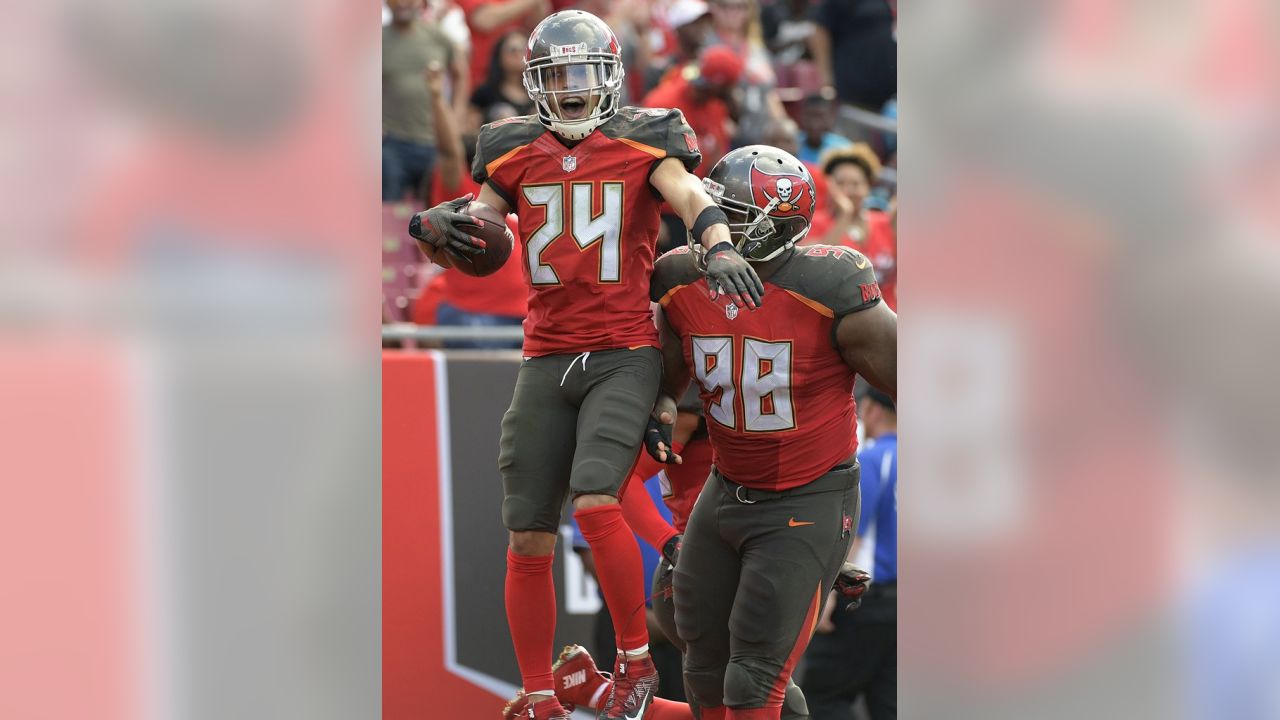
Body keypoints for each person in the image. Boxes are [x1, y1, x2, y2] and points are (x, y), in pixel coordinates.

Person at [408, 11, 767, 720]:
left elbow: (690, 195)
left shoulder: (645, 135)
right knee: (528, 531)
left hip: (621, 349)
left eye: (583, 74)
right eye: (558, 76)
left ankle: (634, 658)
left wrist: (720, 243)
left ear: (608, 78)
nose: (571, 89)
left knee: (600, 495)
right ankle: (540, 695)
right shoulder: (508, 148)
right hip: (545, 353)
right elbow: (487, 241)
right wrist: (438, 235)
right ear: (535, 84)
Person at [649, 144, 897, 720]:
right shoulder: (681, 278)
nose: (710, 227)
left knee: (754, 676)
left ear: (771, 225)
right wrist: (660, 402)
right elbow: (670, 373)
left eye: (728, 214)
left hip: (808, 493)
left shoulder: (830, 284)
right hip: (726, 485)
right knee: (704, 666)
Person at [800, 383, 897, 720]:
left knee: (824, 696)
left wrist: (826, 596)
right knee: (890, 701)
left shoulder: (872, 460)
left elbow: (849, 532)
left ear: (872, 410)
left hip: (865, 602)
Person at [382, 0, 467, 203]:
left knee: (438, 215)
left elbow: (461, 73)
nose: (403, 3)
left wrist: (457, 115)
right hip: (392, 142)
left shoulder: (436, 35)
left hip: (437, 142)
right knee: (388, 216)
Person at [810, 143, 896, 310]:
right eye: (840, 183)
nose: (848, 190)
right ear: (829, 185)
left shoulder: (885, 223)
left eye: (856, 184)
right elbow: (815, 268)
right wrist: (845, 215)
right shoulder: (814, 222)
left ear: (868, 187)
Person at [641, 45, 745, 177]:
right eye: (729, 89)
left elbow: (717, 159)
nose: (733, 94)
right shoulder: (662, 105)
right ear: (717, 87)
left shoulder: (716, 105)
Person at [794, 94, 853, 166]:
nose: (814, 123)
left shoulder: (843, 149)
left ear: (830, 118)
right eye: (810, 116)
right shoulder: (792, 143)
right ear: (801, 116)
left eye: (820, 116)